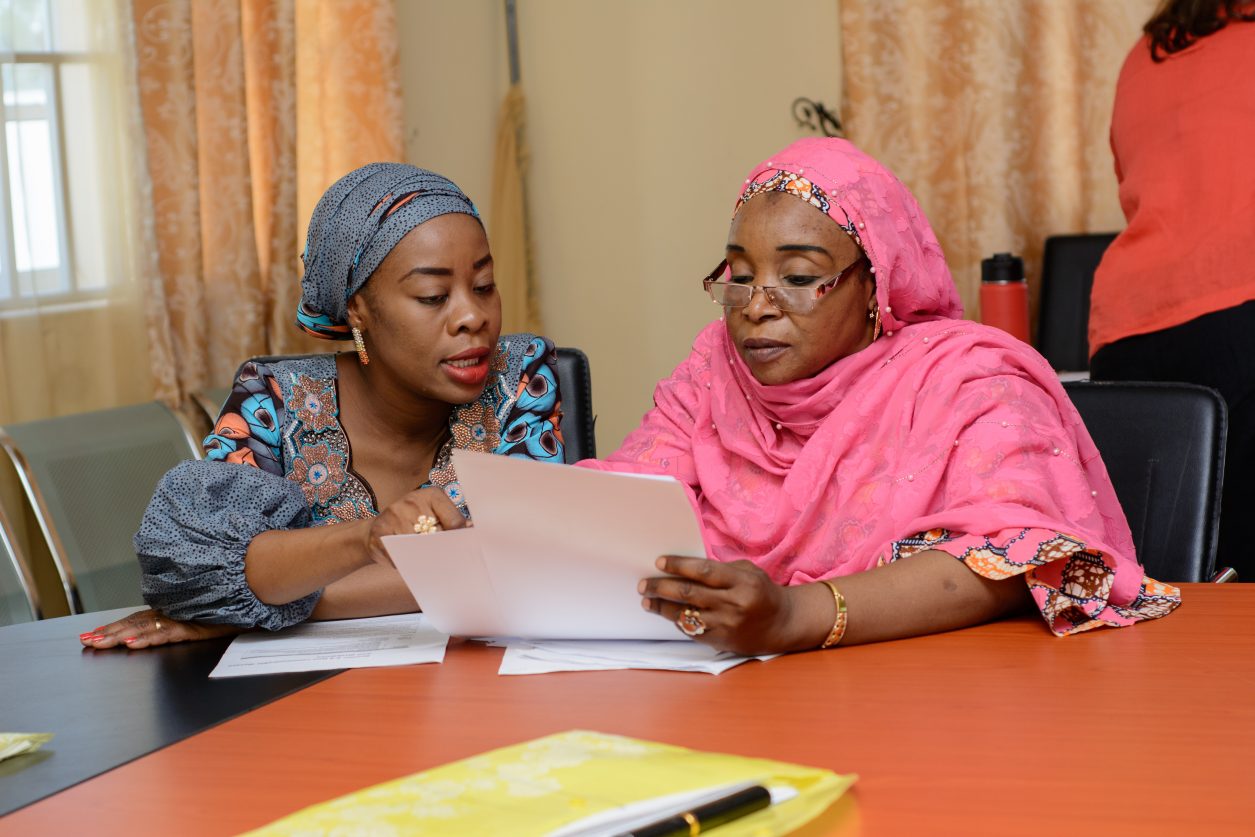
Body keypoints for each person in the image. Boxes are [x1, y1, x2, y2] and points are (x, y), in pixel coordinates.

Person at [584, 137, 1180, 656]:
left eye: (797, 279)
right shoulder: (713, 371)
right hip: (734, 695)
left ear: (877, 282)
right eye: (741, 277)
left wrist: (794, 615)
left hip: (930, 701)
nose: (758, 307)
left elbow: (1017, 554)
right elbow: (619, 508)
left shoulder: (969, 379)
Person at [80, 163, 564, 649]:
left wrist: (261, 607)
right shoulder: (270, 399)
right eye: (432, 295)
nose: (472, 316)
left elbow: (525, 561)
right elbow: (214, 566)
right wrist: (364, 541)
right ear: (358, 308)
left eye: (484, 286)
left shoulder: (520, 376)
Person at [1088, 0, 1255, 580]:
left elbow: (1134, 182)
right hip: (1239, 305)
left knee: (1159, 576)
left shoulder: (1146, 53)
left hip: (1128, 332)